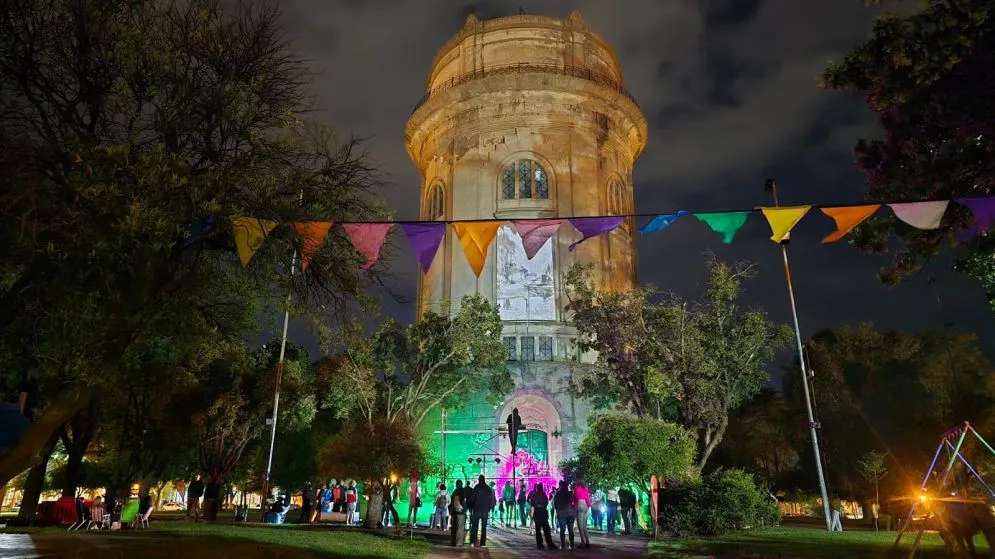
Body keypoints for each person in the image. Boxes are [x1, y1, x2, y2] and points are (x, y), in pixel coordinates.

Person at [528, 482, 556, 549]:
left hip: (538, 513)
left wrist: (537, 506)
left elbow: (532, 503)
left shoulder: (535, 495)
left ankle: (540, 544)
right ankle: (549, 544)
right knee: (545, 530)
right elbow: (545, 502)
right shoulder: (542, 494)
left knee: (539, 530)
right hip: (542, 513)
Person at [469, 475, 495, 547]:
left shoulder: (477, 487)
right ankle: (482, 542)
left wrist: (472, 506)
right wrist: (489, 508)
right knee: (484, 527)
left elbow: (473, 498)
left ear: (479, 479)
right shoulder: (488, 488)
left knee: (475, 526)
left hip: (477, 509)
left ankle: (473, 541)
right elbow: (490, 500)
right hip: (485, 510)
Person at [553, 480, 575, 549]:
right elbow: (574, 503)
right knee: (570, 530)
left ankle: (562, 544)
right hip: (570, 514)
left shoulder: (558, 494)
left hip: (561, 513)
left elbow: (555, 505)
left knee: (562, 530)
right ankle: (572, 544)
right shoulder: (570, 494)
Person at [573, 481, 591, 548]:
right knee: (584, 525)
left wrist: (574, 506)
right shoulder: (585, 488)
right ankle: (587, 541)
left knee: (580, 525)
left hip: (579, 504)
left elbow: (575, 498)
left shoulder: (577, 488)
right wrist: (588, 505)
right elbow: (587, 498)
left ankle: (582, 542)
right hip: (585, 505)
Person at [450, 480, 465, 547]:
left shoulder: (454, 491)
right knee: (459, 528)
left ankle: (453, 542)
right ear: (461, 484)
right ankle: (458, 543)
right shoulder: (460, 490)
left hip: (453, 512)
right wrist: (460, 507)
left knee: (454, 527)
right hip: (459, 511)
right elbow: (457, 500)